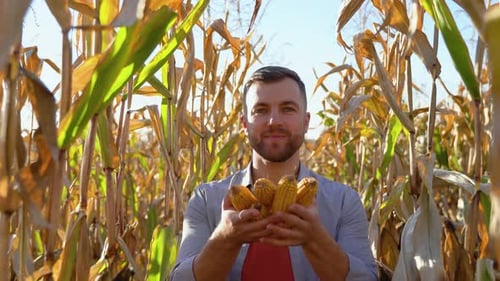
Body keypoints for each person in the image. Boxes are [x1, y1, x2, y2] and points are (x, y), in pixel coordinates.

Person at [170, 66, 378, 281]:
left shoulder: (344, 202)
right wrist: (225, 238)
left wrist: (315, 239)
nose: (274, 121)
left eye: (287, 109)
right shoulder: (206, 199)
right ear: (244, 123)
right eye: (261, 110)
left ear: (306, 122)